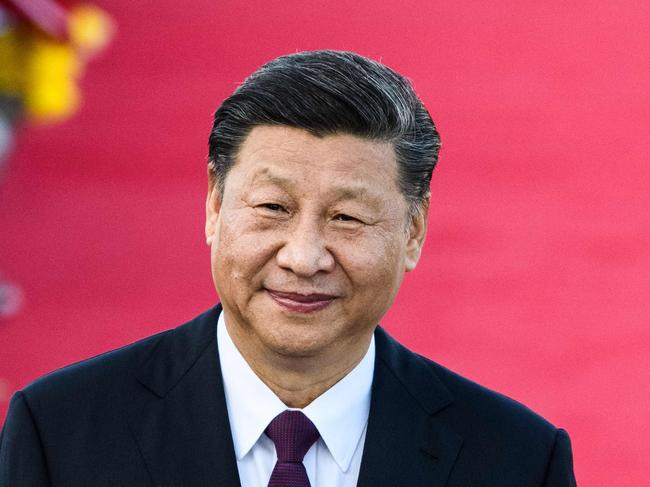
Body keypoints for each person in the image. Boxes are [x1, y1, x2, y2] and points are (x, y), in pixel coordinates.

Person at [0, 50, 577, 486]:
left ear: (414, 231)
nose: (303, 257)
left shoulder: (516, 459)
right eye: (273, 208)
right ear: (214, 205)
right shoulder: (61, 431)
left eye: (347, 217)